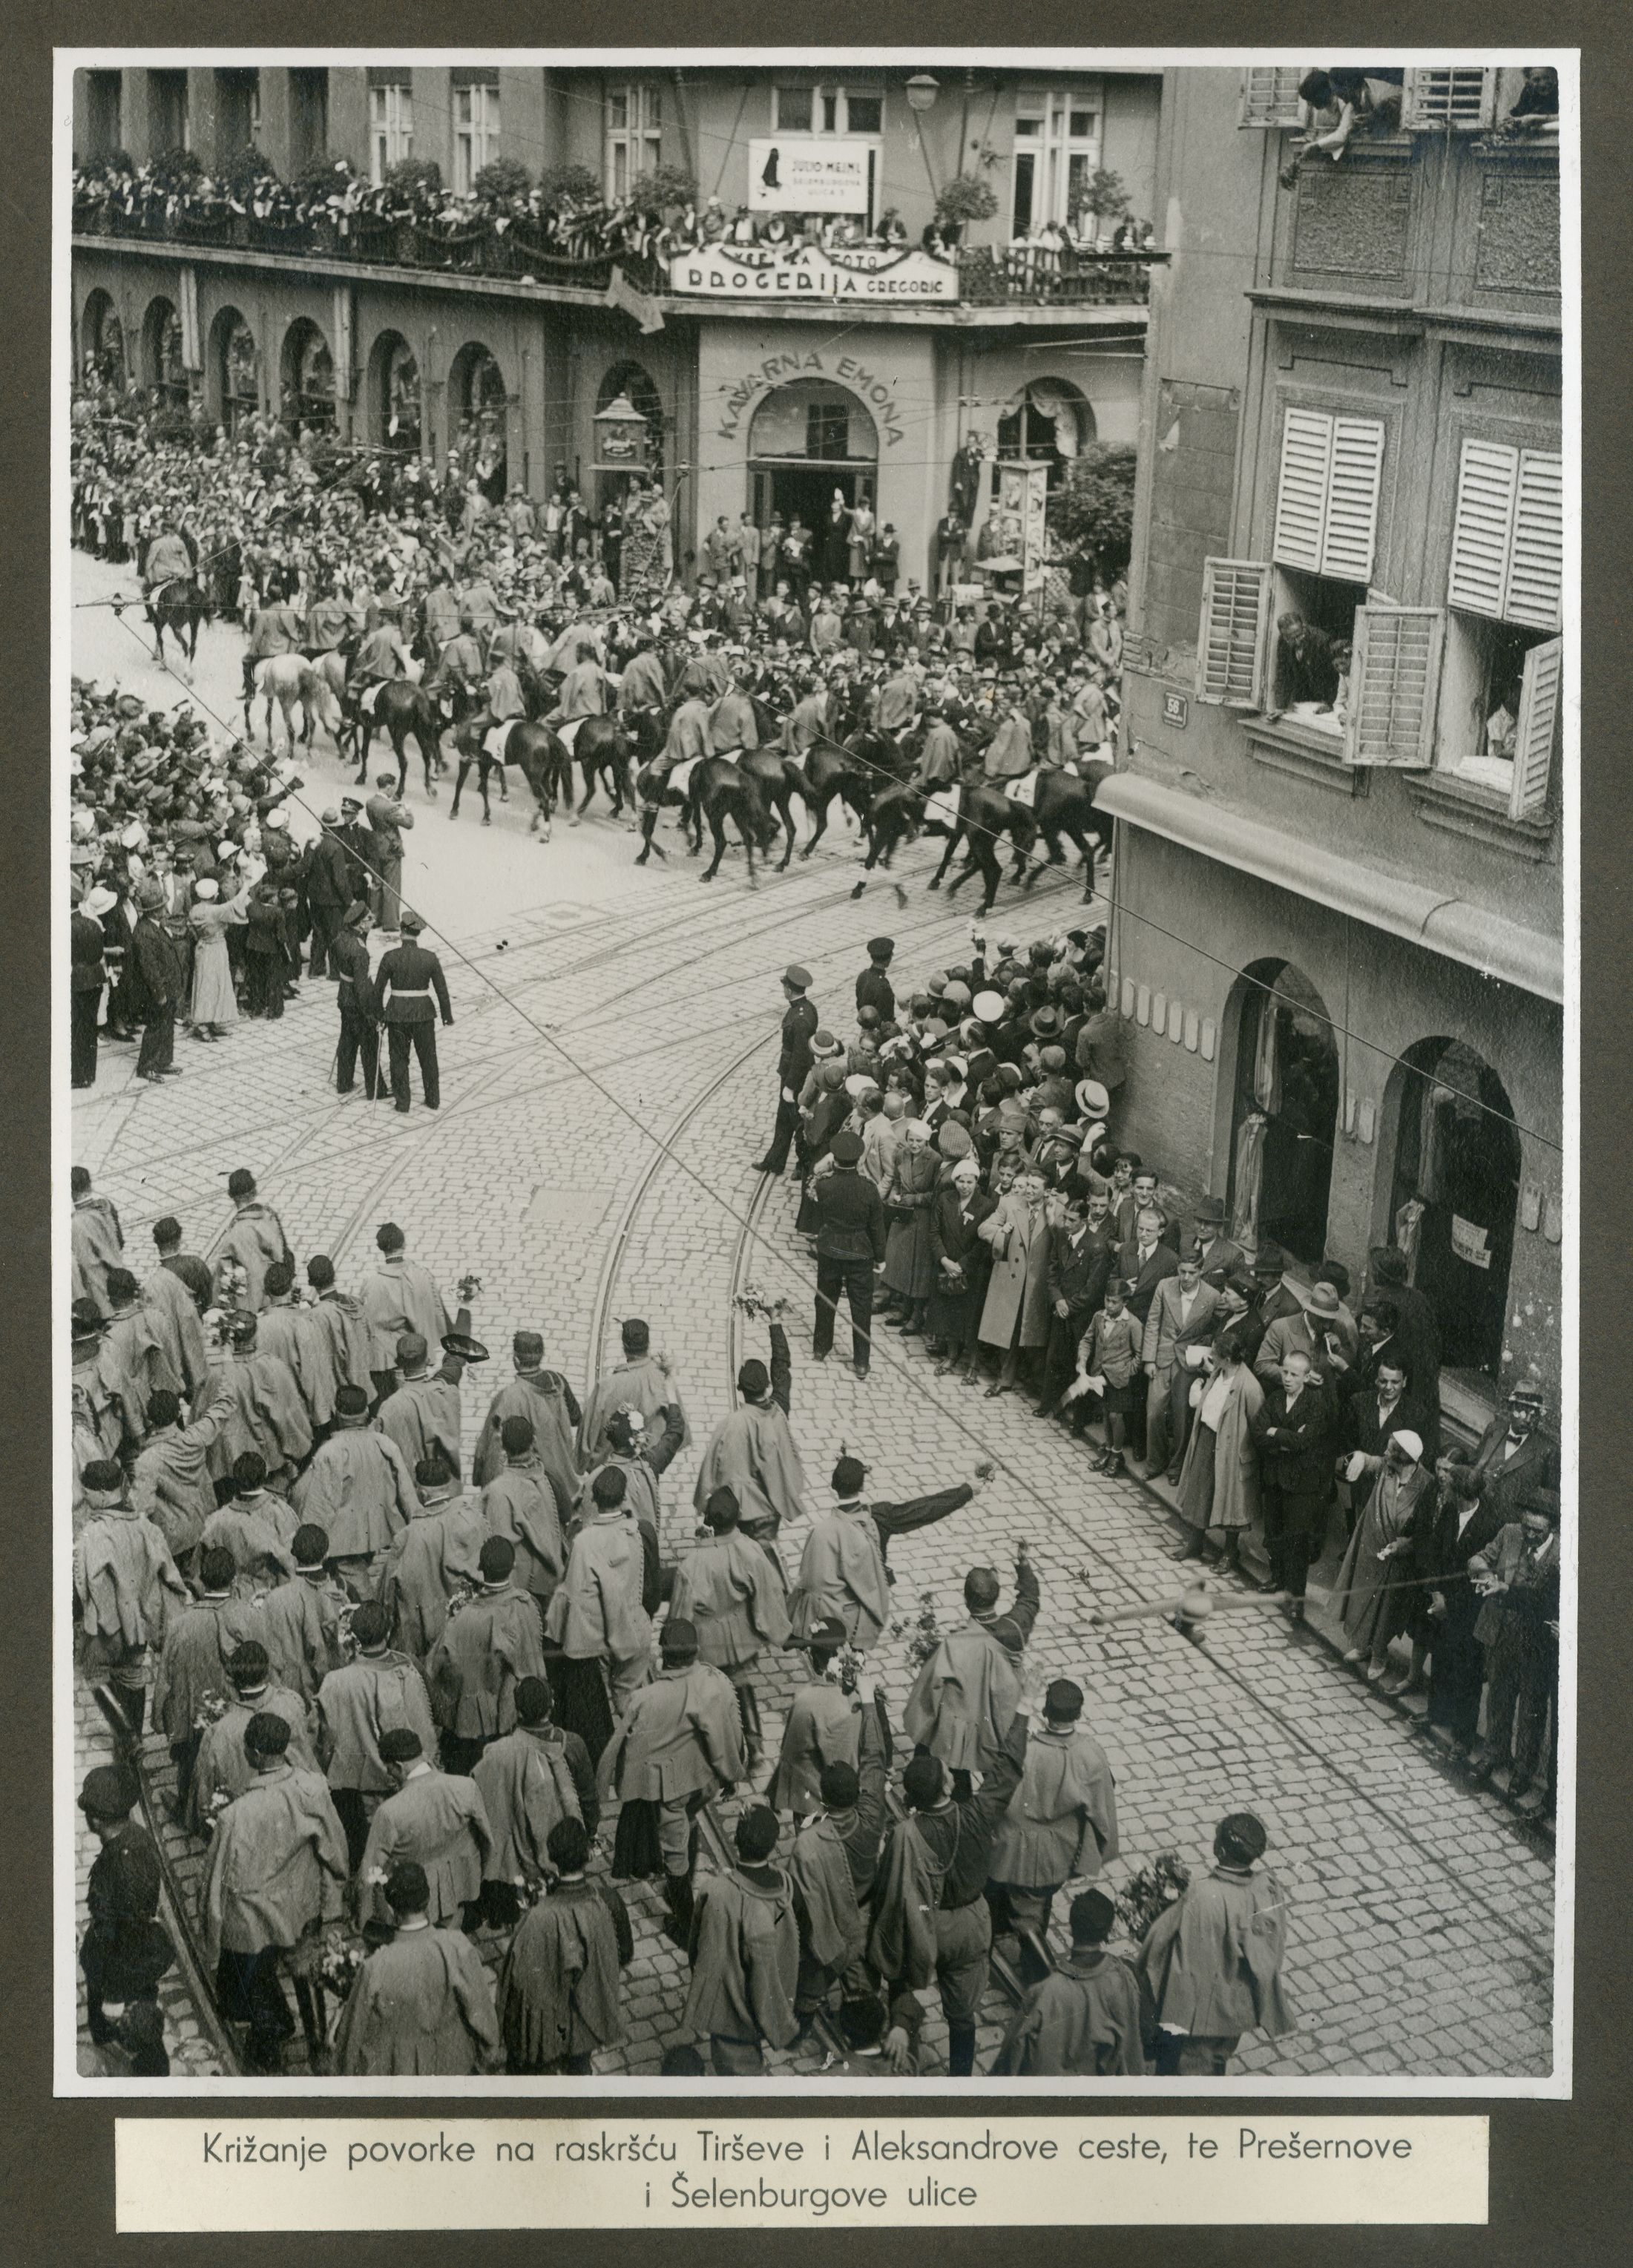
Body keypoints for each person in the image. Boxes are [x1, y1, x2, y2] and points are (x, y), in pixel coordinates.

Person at [870, 1705, 1031, 2077]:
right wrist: (1022, 1710)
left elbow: (890, 1890)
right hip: (971, 1926)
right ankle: (960, 2079)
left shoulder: (904, 1835)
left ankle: (904, 2055)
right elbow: (1007, 1770)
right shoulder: (976, 1815)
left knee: (901, 1986)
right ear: (948, 1786)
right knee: (962, 2016)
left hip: (923, 1927)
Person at [200, 1712, 349, 2073]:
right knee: (308, 1972)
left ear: (253, 1753)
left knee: (250, 1979)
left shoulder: (234, 1816)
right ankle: (318, 2046)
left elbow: (214, 1885)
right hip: (302, 1905)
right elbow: (335, 1850)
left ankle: (269, 2040)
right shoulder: (312, 1789)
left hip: (254, 1920)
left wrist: (212, 1940)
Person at [599, 1614, 743, 1944]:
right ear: (696, 1651)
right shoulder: (713, 1682)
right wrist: (730, 1776)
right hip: (704, 1780)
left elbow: (633, 1753)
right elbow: (724, 1736)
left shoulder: (645, 1699)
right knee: (690, 1824)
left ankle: (687, 1926)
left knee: (674, 1854)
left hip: (671, 1789)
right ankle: (684, 1882)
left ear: (662, 1652)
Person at [1137, 1812, 1294, 2076]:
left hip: (1204, 2014)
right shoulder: (1267, 1887)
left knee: (1193, 2066)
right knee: (1218, 2056)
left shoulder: (1202, 1896)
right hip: (1237, 2008)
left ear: (1219, 1850)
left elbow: (1167, 1952)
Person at [986, 1677, 1120, 1960]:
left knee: (1017, 1913)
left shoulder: (1024, 1750)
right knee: (1037, 1907)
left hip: (1012, 1849)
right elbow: (1102, 1809)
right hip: (1057, 1855)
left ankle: (1025, 1963)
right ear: (1078, 1714)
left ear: (1046, 1712)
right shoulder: (1090, 1753)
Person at [795, 1453, 982, 1652]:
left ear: (835, 1486)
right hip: (859, 1618)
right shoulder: (880, 1517)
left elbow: (809, 1581)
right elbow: (924, 1510)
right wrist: (966, 1491)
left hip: (827, 1620)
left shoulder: (820, 1532)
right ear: (862, 1486)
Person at [785, 1689, 890, 2034]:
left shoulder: (810, 1842)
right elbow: (874, 1758)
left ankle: (799, 2030)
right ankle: (861, 2022)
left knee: (810, 1986)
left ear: (825, 1802)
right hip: (866, 1911)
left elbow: (799, 1902)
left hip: (830, 1923)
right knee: (862, 1980)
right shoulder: (871, 1815)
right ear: (857, 1794)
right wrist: (870, 1705)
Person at [335, 1861, 502, 2077]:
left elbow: (351, 2040)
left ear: (391, 1908)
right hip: (455, 2064)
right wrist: (485, 2059)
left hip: (401, 2071)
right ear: (428, 1899)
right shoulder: (457, 1946)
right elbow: (483, 2015)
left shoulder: (374, 1967)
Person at [668, 1484, 792, 1773]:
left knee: (713, 1694)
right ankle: (756, 1747)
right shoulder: (750, 1550)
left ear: (708, 1521)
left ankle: (723, 1755)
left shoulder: (693, 1564)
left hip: (708, 1640)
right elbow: (769, 1591)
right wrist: (771, 1628)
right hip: (741, 1634)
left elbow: (680, 1614)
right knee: (743, 1684)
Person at [496, 1816, 634, 2074]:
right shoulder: (609, 1901)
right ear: (587, 1855)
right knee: (580, 2070)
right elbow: (624, 1954)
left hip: (550, 2029)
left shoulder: (537, 1917)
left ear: (552, 1857)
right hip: (586, 2025)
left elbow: (518, 1980)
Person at [314, 1599, 438, 1873]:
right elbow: (424, 1734)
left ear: (355, 1635)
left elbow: (325, 1738)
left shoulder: (335, 1681)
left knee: (365, 1854)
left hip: (352, 1786)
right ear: (389, 1631)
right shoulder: (405, 1674)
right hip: (398, 1780)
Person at [73, 1458, 192, 1738]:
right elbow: (171, 1577)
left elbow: (82, 1585)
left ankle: (127, 1738)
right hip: (139, 1626)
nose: (85, 1498)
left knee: (95, 1675)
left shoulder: (93, 1534)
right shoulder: (147, 1528)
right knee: (132, 1676)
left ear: (103, 1493)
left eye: (87, 1492)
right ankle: (136, 1737)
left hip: (105, 1629)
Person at [904, 1546, 1040, 1787]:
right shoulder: (1016, 1627)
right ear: (996, 1596)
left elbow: (931, 1688)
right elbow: (1030, 1600)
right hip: (1002, 1717)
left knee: (946, 1755)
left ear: (966, 1600)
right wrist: (1023, 1564)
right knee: (999, 1771)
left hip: (964, 1726)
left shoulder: (955, 1643)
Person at [471, 1677, 597, 1930]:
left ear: (518, 1711)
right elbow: (589, 1799)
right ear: (552, 1705)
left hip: (516, 1859)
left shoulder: (497, 1752)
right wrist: (589, 1833)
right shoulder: (572, 1744)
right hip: (560, 1850)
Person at [683, 1805, 801, 2077]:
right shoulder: (785, 1885)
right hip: (773, 1993)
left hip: (731, 2007)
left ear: (736, 1840)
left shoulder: (714, 1890)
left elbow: (696, 1947)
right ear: (773, 1846)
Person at [990, 1887, 1154, 2076]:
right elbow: (1141, 2039)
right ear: (1108, 1932)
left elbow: (1010, 2057)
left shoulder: (1043, 1992)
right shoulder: (1125, 1976)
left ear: (1071, 1929)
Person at [1468, 1490, 1560, 1808]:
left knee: (1531, 1710)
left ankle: (1523, 1771)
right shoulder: (1509, 1533)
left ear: (1552, 1528)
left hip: (1537, 1645)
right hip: (1502, 1634)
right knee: (1498, 1698)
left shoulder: (1563, 1553)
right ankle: (1493, 1754)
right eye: (1527, 1527)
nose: (1530, 1535)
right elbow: (1477, 1559)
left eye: (1538, 1531)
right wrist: (1486, 1574)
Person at [427, 1535, 550, 1772]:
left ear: (480, 1568)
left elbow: (436, 1666)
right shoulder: (524, 1606)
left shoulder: (462, 1616)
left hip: (467, 1725)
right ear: (513, 1566)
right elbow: (532, 1667)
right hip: (510, 1724)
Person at [547, 1465, 653, 1738]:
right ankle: (643, 1741)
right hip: (635, 1627)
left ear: (593, 1499)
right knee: (628, 1694)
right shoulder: (638, 1532)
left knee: (599, 1700)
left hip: (599, 1638)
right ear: (624, 1497)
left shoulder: (584, 1541)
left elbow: (575, 1594)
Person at [691, 1306, 806, 1552]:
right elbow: (782, 1368)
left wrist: (705, 1506)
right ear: (767, 1386)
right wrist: (774, 1322)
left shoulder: (731, 1424)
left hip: (742, 1513)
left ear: (741, 1389)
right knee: (764, 1559)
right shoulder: (780, 1410)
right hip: (770, 1513)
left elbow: (713, 1469)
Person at [357, 1726, 493, 1932]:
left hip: (411, 1904)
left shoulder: (388, 1813)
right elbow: (488, 1841)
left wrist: (363, 1921)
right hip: (460, 1889)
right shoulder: (467, 1787)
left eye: (389, 1769)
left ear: (399, 1766)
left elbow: (369, 1873)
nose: (389, 1774)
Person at [151, 1546, 254, 1812]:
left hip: (192, 1716)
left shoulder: (179, 1624)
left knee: (189, 1763)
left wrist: (158, 1716)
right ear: (233, 1579)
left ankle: (186, 1807)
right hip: (234, 1711)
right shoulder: (248, 1615)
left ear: (202, 1580)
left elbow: (164, 1678)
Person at [291, 1383, 418, 1597]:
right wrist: (416, 1523)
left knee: (357, 1590)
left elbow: (320, 1503)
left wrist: (310, 1544)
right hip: (380, 1531)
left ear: (337, 1413)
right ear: (366, 1411)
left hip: (345, 1541)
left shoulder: (330, 1452)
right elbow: (405, 1490)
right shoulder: (385, 1443)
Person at [79, 1765, 172, 2051]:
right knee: (142, 2008)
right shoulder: (138, 1835)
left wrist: (113, 1996)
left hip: (119, 1969)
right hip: (138, 1957)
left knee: (115, 2031)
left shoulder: (117, 1866)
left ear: (95, 1820)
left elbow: (120, 1936)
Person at [186, 1639, 319, 1835]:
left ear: (232, 1680)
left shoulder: (218, 1732)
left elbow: (203, 1799)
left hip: (246, 1827)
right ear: (267, 1672)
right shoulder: (291, 1703)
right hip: (294, 1817)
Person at [1332, 1427, 1430, 1679]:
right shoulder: (1386, 1469)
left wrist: (1405, 1544)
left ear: (1405, 1457)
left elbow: (1426, 1529)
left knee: (1387, 1610)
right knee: (1363, 1600)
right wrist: (1361, 1458)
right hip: (1371, 1549)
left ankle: (1379, 1654)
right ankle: (1362, 1645)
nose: (1386, 1453)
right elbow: (1371, 1461)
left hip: (1397, 1559)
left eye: (1391, 1450)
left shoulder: (1426, 1484)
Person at [1249, 1348, 1337, 1619]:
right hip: (1275, 1478)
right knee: (1274, 1533)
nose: (1287, 1378)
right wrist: (1284, 1439)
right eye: (1285, 1372)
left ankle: (1296, 1598)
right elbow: (1258, 1434)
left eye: (1294, 1375)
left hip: (1302, 1484)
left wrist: (1276, 1432)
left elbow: (1305, 1442)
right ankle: (1277, 1579)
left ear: (1307, 1377)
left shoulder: (1317, 1404)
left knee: (1297, 1541)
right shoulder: (1275, 1398)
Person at [1173, 1329, 1264, 1571]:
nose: (1211, 1356)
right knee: (1200, 1494)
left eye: (1215, 1353)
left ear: (1227, 1358)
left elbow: (1258, 1424)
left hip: (1232, 1451)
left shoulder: (1249, 1386)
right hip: (1207, 1439)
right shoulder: (1217, 1373)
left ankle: (1230, 1553)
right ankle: (1195, 1544)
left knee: (1231, 1502)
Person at [809, 1128, 888, 1378]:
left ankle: (821, 1348)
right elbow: (877, 1227)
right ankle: (861, 1362)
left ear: (835, 1159)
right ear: (858, 1159)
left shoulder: (824, 1186)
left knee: (825, 1299)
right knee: (861, 1306)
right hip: (860, 1253)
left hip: (830, 1249)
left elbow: (819, 1217)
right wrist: (880, 1258)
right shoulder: (869, 1189)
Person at [472, 1329, 581, 1505]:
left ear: (516, 1360)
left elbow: (492, 1448)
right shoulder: (558, 1381)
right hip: (565, 1482)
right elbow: (576, 1418)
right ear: (542, 1355)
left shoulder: (508, 1397)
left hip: (532, 1486)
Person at [577, 1315, 689, 1465]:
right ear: (648, 1344)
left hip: (610, 1468)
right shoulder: (663, 1378)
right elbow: (679, 1428)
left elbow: (585, 1441)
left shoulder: (606, 1386)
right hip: (648, 1466)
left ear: (624, 1346)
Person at [374, 909, 453, 1113]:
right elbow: (442, 990)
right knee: (428, 1058)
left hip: (397, 1014)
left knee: (398, 1058)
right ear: (418, 933)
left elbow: (378, 991)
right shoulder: (430, 958)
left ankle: (403, 1103)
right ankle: (433, 1099)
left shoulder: (390, 957)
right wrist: (447, 1016)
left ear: (402, 931)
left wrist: (380, 1016)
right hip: (424, 1013)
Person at [753, 964, 819, 1175]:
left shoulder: (799, 1018)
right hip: (792, 1073)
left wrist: (790, 1085)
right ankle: (775, 1161)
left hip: (795, 1076)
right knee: (784, 1119)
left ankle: (803, 1164)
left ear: (789, 990)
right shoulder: (807, 1008)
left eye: (784, 987)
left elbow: (800, 1055)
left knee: (796, 1121)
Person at [213, 1168, 292, 1312]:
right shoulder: (270, 1217)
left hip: (251, 1303)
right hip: (277, 1296)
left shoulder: (234, 1234)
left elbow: (222, 1279)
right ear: (254, 1192)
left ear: (230, 1195)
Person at [330, 899, 379, 1099]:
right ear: (360, 924)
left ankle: (343, 1082)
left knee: (347, 1042)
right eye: (369, 918)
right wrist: (370, 1012)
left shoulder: (341, 938)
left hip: (344, 996)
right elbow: (361, 987)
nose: (373, 920)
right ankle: (376, 1089)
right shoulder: (360, 951)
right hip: (358, 1002)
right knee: (369, 1046)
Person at [364, 776, 413, 934]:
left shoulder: (370, 802)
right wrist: (407, 811)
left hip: (375, 844)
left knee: (377, 882)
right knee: (392, 885)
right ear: (388, 787)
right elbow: (409, 824)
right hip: (391, 847)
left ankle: (375, 918)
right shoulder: (389, 808)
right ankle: (391, 922)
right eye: (394, 787)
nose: (394, 790)